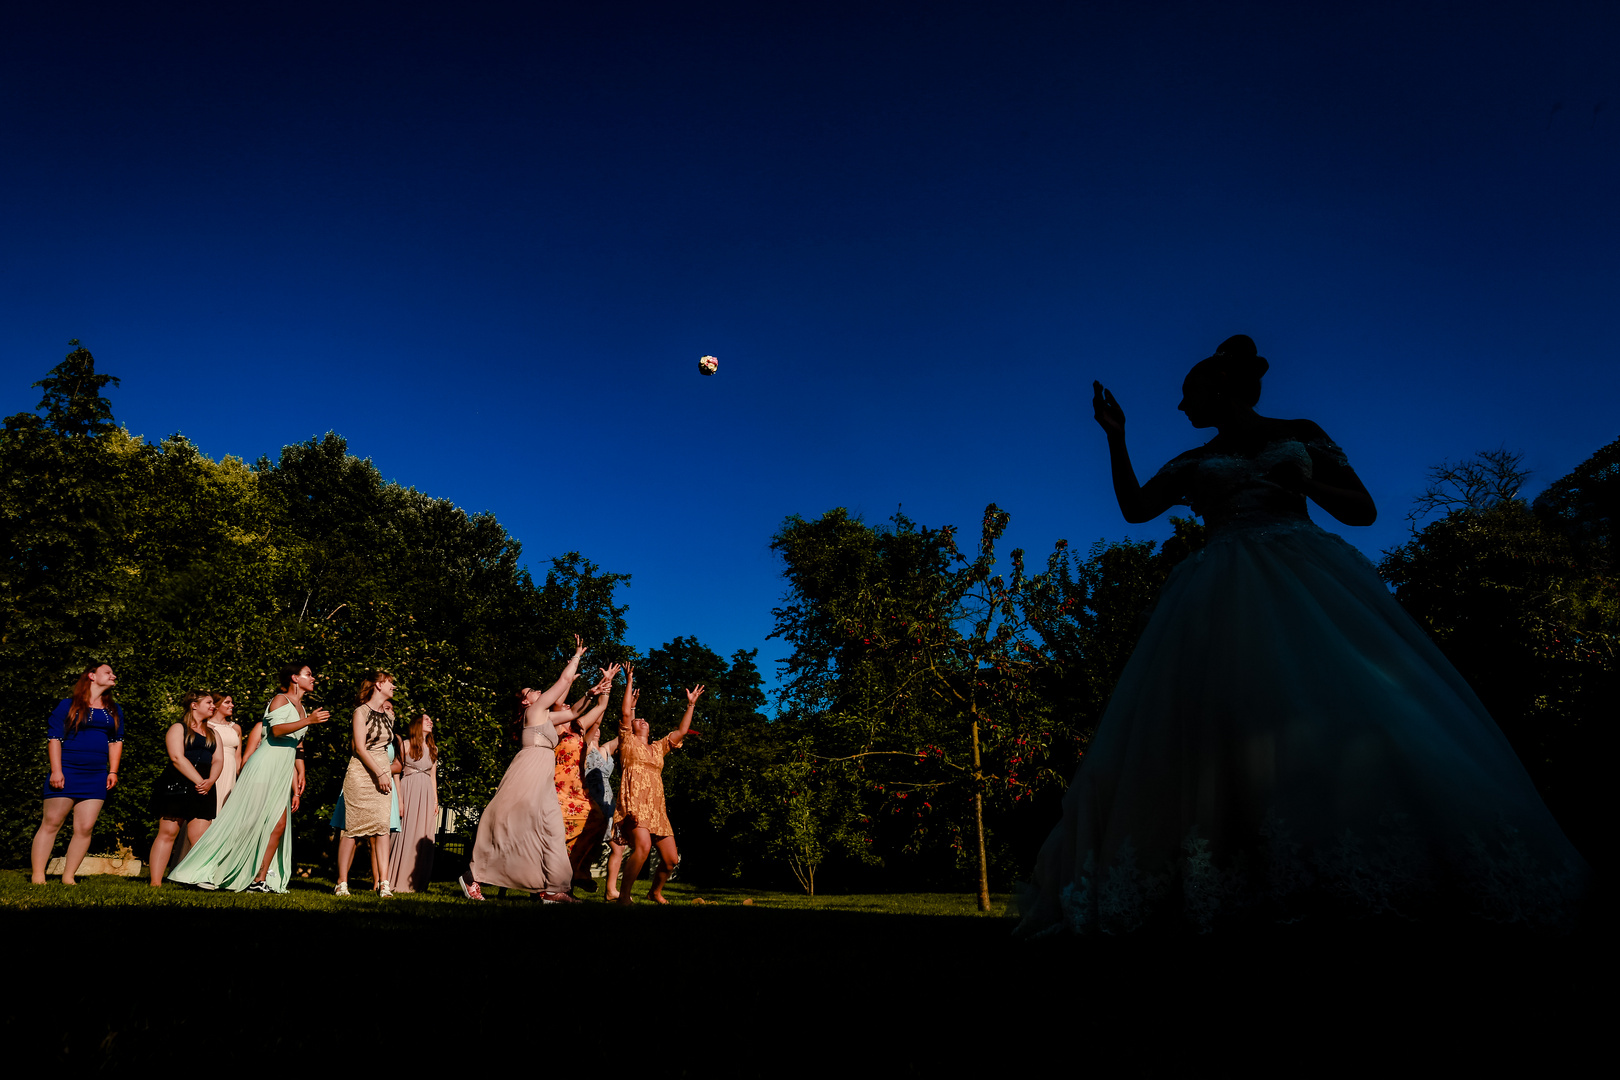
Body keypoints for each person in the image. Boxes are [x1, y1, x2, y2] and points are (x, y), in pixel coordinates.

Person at [1018, 335, 1589, 934]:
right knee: (1223, 720)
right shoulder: (1192, 461)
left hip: (1309, 578)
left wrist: (1304, 485)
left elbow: (1362, 510)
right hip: (1217, 593)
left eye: (1189, 393)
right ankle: (1241, 872)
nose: (1181, 407)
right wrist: (1116, 435)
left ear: (1218, 389)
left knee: (1354, 706)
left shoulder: (1300, 432)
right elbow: (1136, 509)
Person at [458, 637, 613, 903]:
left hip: (544, 777)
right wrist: (577, 656)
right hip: (528, 769)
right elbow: (562, 684)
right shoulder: (534, 713)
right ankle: (473, 875)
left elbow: (574, 712)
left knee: (552, 829)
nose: (538, 692)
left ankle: (554, 889)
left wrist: (590, 693)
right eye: (532, 691)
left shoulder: (546, 717)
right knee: (510, 822)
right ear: (526, 702)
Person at [170, 661, 330, 892]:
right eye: (309, 674)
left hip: (282, 770)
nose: (313, 678)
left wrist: (298, 776)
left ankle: (259, 879)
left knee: (278, 825)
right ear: (295, 678)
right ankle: (207, 870)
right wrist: (309, 721)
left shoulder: (303, 708)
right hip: (264, 766)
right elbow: (276, 731)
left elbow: (296, 745)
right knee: (245, 822)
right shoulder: (280, 700)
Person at [31, 663, 125, 884]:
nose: (113, 675)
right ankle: (37, 875)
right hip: (67, 771)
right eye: (108, 672)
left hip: (96, 775)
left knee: (85, 827)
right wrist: (56, 771)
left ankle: (69, 876)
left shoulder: (114, 709)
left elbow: (116, 742)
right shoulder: (68, 705)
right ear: (92, 676)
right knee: (52, 822)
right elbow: (55, 739)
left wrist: (113, 771)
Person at [615, 682, 703, 906]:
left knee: (671, 860)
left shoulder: (658, 747)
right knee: (642, 847)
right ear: (632, 727)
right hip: (635, 803)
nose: (641, 720)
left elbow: (682, 731)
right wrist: (629, 681)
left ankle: (654, 892)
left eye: (645, 719)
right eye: (637, 719)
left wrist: (690, 705)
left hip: (656, 807)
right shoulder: (627, 743)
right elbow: (626, 712)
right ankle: (623, 896)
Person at [335, 670, 401, 897]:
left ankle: (385, 883)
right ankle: (342, 883)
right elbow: (360, 748)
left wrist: (385, 773)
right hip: (361, 772)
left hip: (382, 767)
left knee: (382, 828)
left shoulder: (390, 715)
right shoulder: (360, 712)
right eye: (391, 683)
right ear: (378, 684)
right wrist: (380, 774)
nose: (394, 687)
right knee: (351, 828)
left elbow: (387, 748)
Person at [148, 691, 224, 886]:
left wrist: (210, 781)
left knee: (200, 837)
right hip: (178, 783)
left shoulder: (213, 734)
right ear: (194, 705)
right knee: (168, 833)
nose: (212, 706)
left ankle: (197, 879)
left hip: (205, 786)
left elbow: (218, 760)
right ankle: (155, 883)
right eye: (208, 702)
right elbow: (176, 757)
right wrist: (200, 780)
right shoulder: (178, 728)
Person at [555, 668, 616, 893]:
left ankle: (575, 870)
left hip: (578, 787)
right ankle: (555, 880)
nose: (569, 705)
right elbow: (556, 700)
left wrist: (607, 684)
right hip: (556, 785)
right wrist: (567, 681)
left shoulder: (577, 728)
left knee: (598, 820)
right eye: (565, 704)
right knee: (560, 832)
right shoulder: (550, 726)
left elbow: (601, 707)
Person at [387, 711, 440, 893]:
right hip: (408, 789)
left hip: (425, 793)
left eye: (430, 719)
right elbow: (396, 772)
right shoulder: (406, 745)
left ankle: (417, 882)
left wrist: (435, 800)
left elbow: (433, 776)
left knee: (421, 835)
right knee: (405, 833)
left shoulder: (433, 748)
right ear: (417, 723)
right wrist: (399, 801)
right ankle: (396, 880)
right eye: (427, 719)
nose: (430, 722)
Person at [575, 705, 623, 897]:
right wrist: (602, 704)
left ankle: (611, 889)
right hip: (588, 797)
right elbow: (596, 719)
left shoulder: (605, 748)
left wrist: (631, 709)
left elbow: (624, 735)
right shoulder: (583, 747)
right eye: (594, 724)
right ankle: (576, 876)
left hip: (607, 798)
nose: (597, 727)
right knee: (584, 842)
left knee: (618, 845)